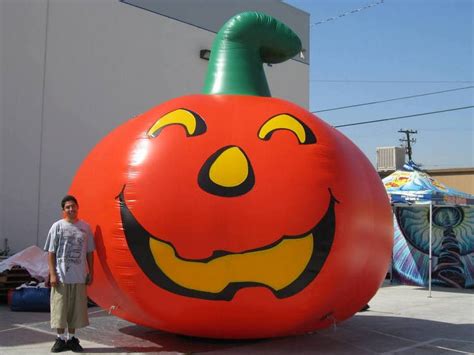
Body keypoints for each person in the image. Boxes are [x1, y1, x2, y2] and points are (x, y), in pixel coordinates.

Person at [44, 195, 95, 353]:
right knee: (60, 309)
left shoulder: (85, 227)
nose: (71, 209)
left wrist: (91, 271)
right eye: (68, 207)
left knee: (75, 310)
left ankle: (72, 339)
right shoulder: (57, 227)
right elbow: (51, 253)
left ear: (77, 207)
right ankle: (60, 339)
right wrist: (53, 274)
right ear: (63, 210)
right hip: (61, 277)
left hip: (79, 277)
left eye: (73, 206)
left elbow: (89, 252)